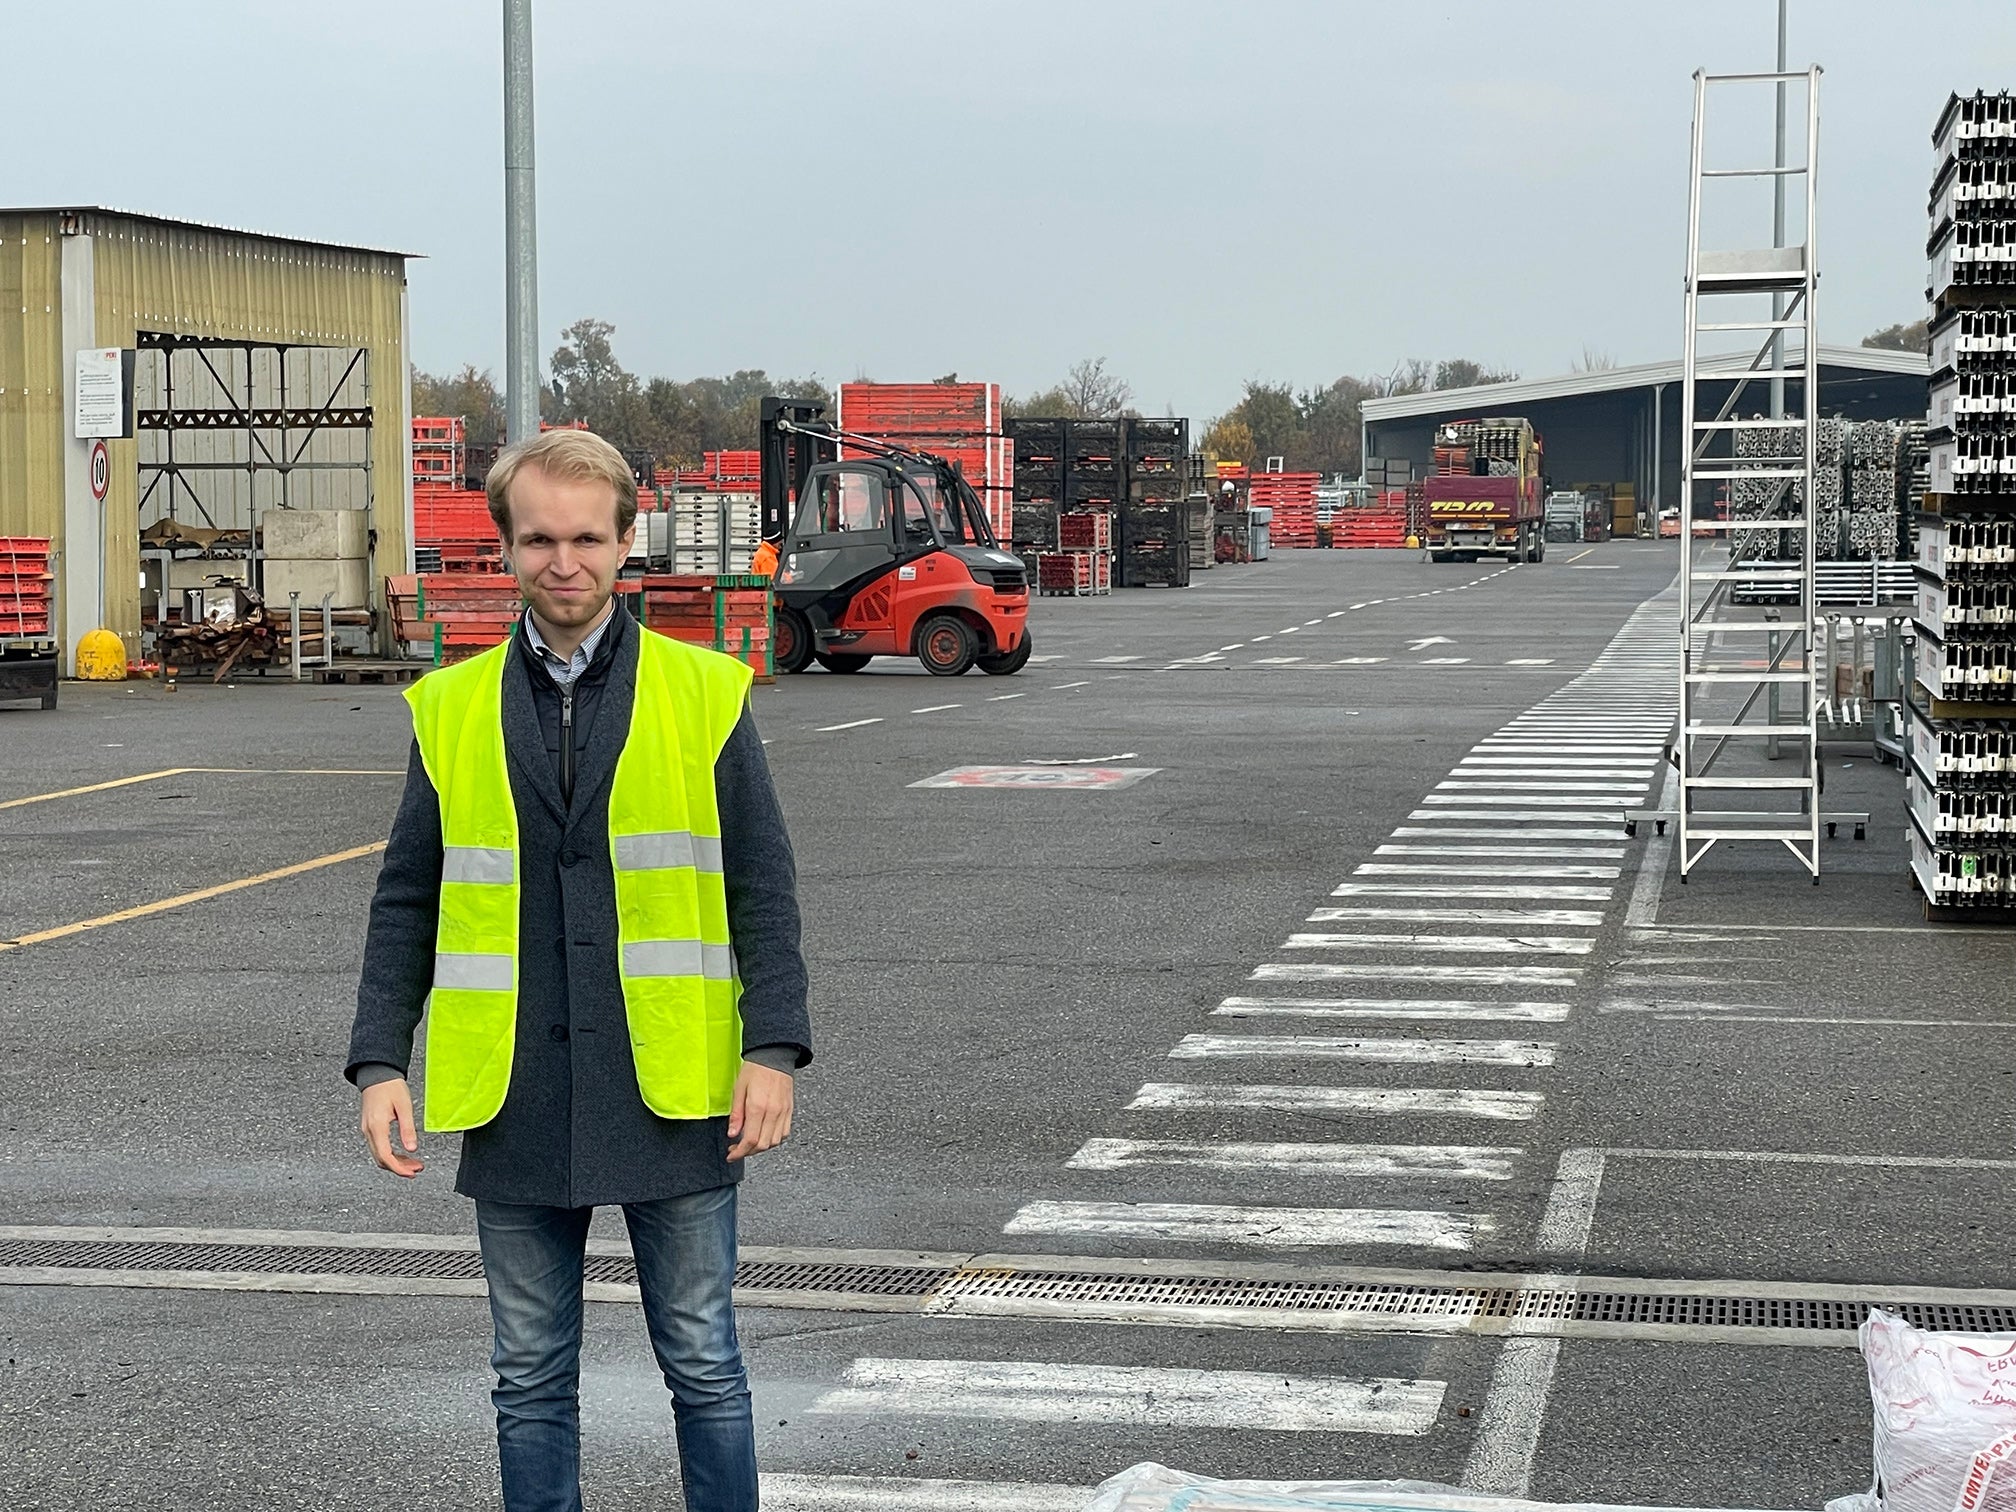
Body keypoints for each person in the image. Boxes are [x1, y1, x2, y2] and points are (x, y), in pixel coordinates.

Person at [346, 427, 810, 1512]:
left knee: (704, 1364)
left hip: (673, 1089)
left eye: (588, 539)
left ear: (626, 541)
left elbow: (763, 885)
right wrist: (379, 1061)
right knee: (529, 1379)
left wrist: (775, 1048)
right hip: (513, 1093)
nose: (565, 563)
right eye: (540, 540)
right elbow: (408, 895)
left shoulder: (705, 693)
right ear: (506, 547)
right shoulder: (451, 708)